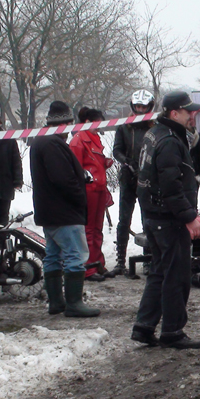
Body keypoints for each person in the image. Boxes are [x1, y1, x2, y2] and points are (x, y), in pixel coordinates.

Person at [132, 91, 200, 349]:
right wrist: (189, 218)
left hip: (154, 215)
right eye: (189, 112)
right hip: (168, 218)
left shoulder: (155, 133)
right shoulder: (170, 141)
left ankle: (144, 326)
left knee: (160, 273)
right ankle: (172, 331)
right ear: (174, 113)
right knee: (176, 276)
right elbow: (171, 186)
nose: (192, 116)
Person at [31, 101, 99, 318]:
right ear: (67, 123)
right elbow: (63, 179)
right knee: (75, 255)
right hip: (64, 211)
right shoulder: (53, 144)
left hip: (48, 211)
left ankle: (56, 302)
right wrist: (79, 195)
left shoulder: (40, 141)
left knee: (52, 255)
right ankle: (74, 303)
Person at [111, 89, 155, 276]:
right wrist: (127, 161)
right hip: (128, 177)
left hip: (148, 179)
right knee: (123, 220)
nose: (140, 110)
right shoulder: (124, 127)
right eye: (137, 106)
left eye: (143, 107)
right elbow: (116, 149)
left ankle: (148, 260)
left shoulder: (154, 127)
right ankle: (120, 260)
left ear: (150, 107)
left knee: (148, 220)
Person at [70, 107, 114, 282]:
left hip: (99, 190)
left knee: (97, 230)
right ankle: (88, 267)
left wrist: (105, 163)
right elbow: (76, 170)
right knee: (88, 230)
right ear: (88, 122)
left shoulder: (93, 138)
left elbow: (94, 164)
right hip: (88, 191)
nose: (100, 127)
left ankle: (97, 263)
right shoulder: (78, 140)